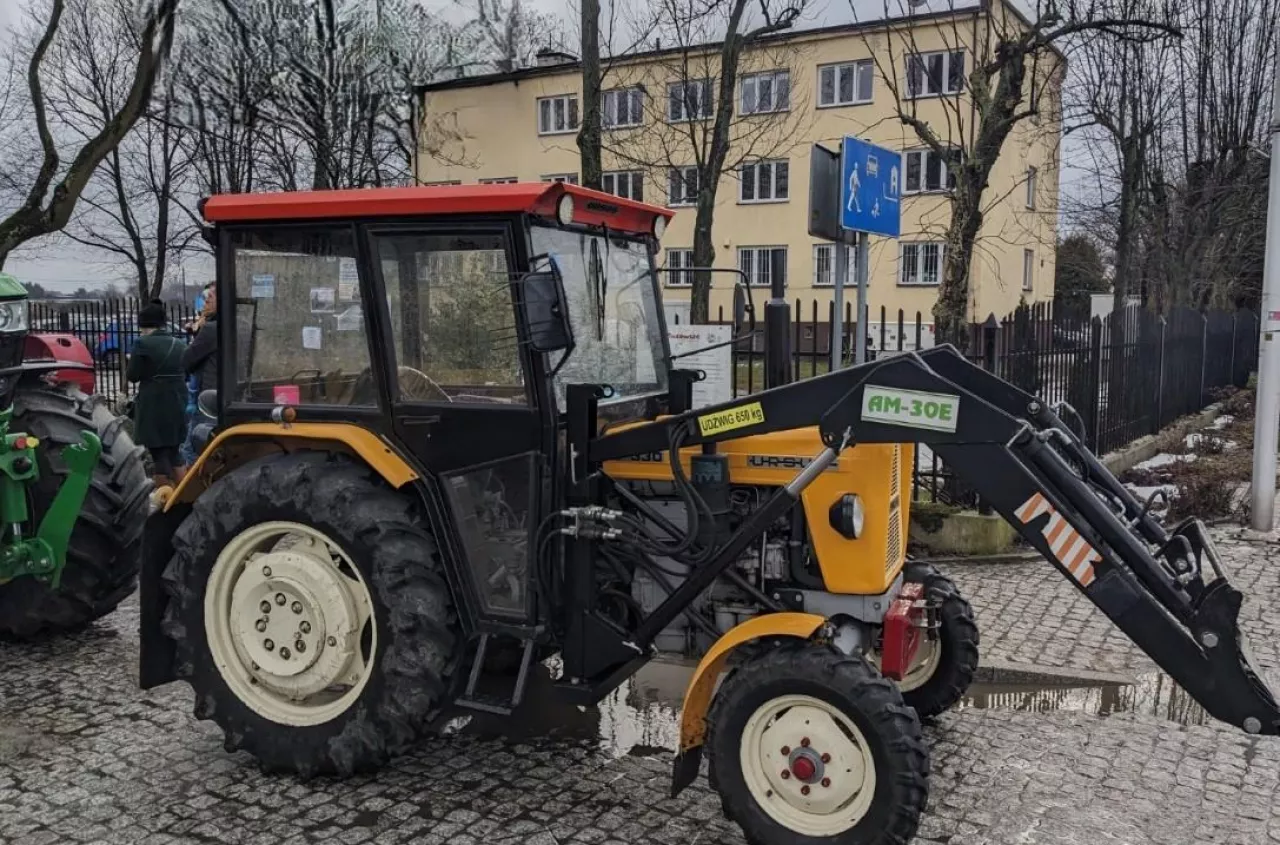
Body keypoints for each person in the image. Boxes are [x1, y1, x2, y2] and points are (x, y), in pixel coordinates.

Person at [127, 301, 189, 488]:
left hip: (154, 403)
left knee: (158, 452)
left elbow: (132, 376)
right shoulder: (179, 343)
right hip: (178, 400)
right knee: (174, 451)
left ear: (143, 324)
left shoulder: (142, 343)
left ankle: (163, 500)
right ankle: (184, 495)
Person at [181, 284, 218, 464]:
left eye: (210, 298)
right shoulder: (241, 324)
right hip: (229, 396)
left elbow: (187, 360)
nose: (206, 302)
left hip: (208, 399)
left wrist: (199, 331)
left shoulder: (211, 329)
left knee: (191, 450)